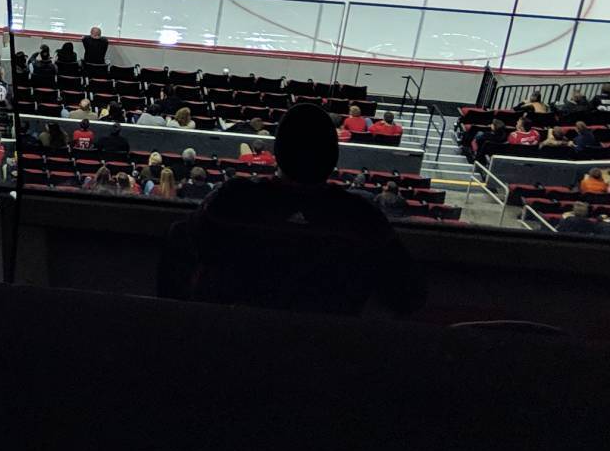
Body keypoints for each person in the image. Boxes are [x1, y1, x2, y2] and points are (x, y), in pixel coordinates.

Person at [164, 103, 425, 315]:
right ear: (333, 158)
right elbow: (408, 292)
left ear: (277, 152)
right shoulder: (361, 217)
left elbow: (179, 242)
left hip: (233, 347)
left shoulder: (232, 199)